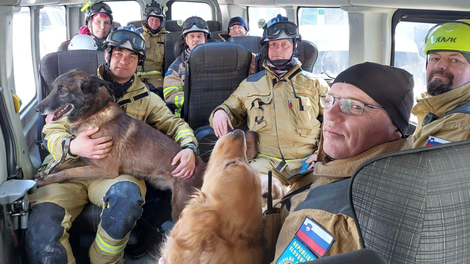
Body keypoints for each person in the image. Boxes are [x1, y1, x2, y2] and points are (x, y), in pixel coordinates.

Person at [26, 26, 199, 264]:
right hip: (69, 163)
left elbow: (174, 123)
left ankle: (103, 260)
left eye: (132, 56)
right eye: (118, 53)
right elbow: (51, 131)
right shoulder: (77, 85)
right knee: (43, 227)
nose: (123, 61)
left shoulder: (147, 98)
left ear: (138, 62)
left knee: (126, 198)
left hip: (110, 173)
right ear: (106, 55)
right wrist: (71, 146)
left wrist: (190, 147)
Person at [271, 62, 414, 263]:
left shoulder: (326, 219)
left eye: (354, 106)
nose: (330, 114)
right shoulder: (411, 165)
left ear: (394, 128)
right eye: (330, 100)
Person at [210, 15, 330, 199]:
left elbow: (335, 122)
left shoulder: (315, 84)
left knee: (313, 209)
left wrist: (322, 154)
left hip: (308, 164)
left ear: (294, 47)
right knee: (248, 203)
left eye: (284, 45)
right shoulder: (250, 84)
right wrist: (219, 112)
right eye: (273, 45)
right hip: (266, 163)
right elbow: (229, 108)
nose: (278, 50)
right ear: (266, 48)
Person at [412, 20, 470, 148]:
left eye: (455, 60)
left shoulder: (458, 124)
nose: (439, 65)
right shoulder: (439, 108)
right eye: (435, 58)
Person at [163, 16, 210, 116]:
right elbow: (169, 94)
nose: (195, 39)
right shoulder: (176, 65)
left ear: (205, 38)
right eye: (192, 36)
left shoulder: (218, 59)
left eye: (199, 36)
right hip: (188, 115)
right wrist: (193, 101)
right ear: (186, 40)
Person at [137, 1, 168, 90]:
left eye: (157, 20)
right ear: (147, 20)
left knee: (158, 94)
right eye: (151, 20)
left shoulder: (167, 37)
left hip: (156, 76)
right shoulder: (137, 34)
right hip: (136, 75)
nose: (154, 23)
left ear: (161, 21)